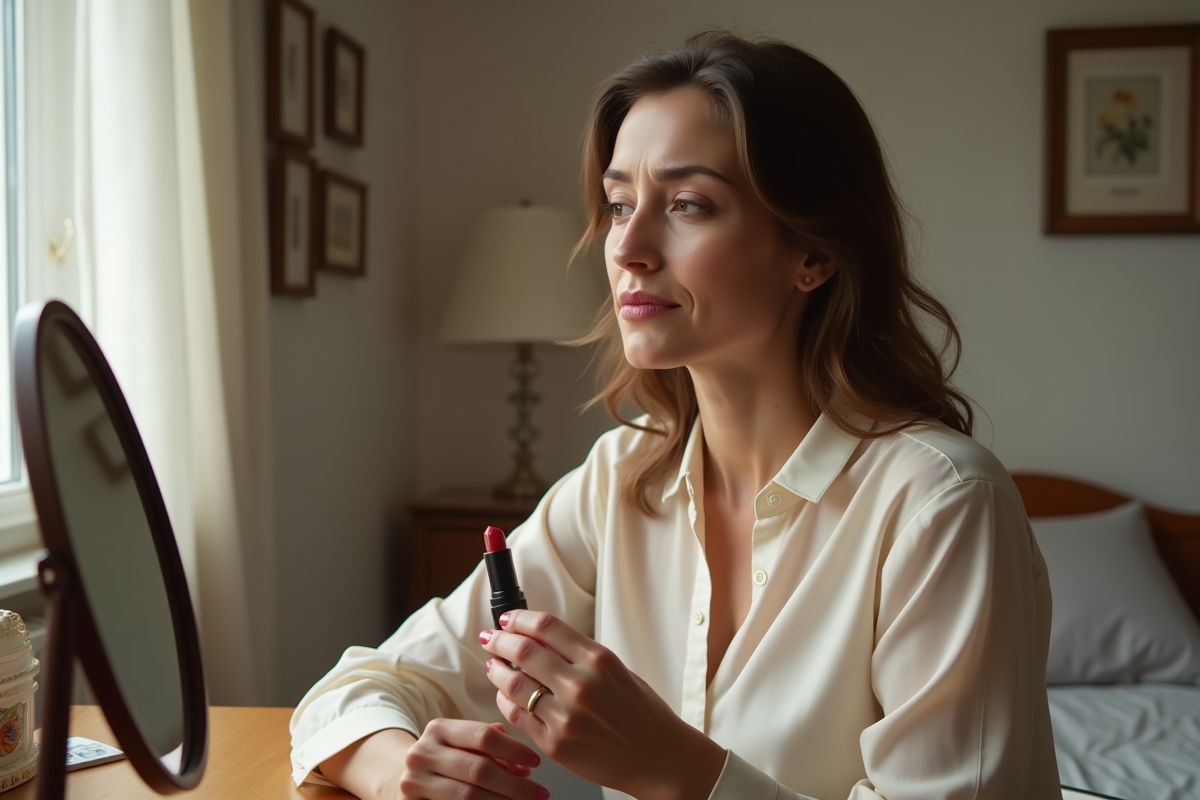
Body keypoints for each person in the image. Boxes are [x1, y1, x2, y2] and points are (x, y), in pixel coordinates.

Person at [290, 31, 1060, 800]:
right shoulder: (620, 480)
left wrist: (676, 770)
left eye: (690, 205)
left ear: (813, 255)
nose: (627, 244)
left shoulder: (942, 506)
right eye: (619, 202)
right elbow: (354, 689)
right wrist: (404, 775)